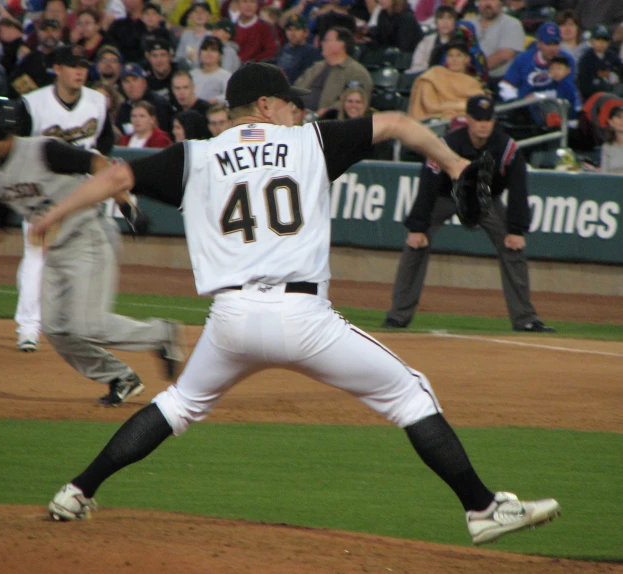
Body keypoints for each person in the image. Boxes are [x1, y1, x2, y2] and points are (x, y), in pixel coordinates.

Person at [34, 63, 561, 548]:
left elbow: (117, 177)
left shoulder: (195, 156)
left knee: (179, 406)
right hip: (303, 319)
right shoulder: (309, 142)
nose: (298, 110)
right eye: (289, 102)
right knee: (409, 393)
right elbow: (398, 122)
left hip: (231, 321)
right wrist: (454, 162)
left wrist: (49, 217)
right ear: (264, 106)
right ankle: (482, 508)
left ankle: (77, 490)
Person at [0, 96, 184, 406]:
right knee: (57, 329)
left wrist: (127, 206)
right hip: (55, 251)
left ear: (4, 130)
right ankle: (119, 377)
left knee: (88, 325)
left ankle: (162, 334)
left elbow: (98, 163)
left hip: (89, 237)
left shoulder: (43, 150)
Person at [385, 94, 556, 333]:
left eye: (488, 118)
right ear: (467, 119)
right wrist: (417, 226)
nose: (483, 123)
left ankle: (526, 318)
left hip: (485, 198)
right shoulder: (448, 143)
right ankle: (397, 316)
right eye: (478, 119)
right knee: (415, 245)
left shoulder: (506, 147)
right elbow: (428, 183)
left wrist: (516, 229)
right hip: (445, 195)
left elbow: (519, 187)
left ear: (494, 120)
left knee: (513, 246)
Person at [13, 46, 115, 352]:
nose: (80, 70)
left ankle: (82, 323)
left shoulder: (98, 102)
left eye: (83, 64)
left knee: (87, 258)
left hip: (82, 192)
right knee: (36, 257)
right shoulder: (33, 104)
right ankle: (28, 328)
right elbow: (17, 148)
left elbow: (105, 145)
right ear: (57, 68)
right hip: (42, 192)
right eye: (72, 65)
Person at [295, 27, 372, 117]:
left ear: (341, 44)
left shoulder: (356, 72)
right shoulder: (316, 67)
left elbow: (359, 101)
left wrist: (328, 111)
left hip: (327, 121)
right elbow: (296, 88)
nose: (322, 43)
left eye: (327, 40)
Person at [407, 41, 484, 121]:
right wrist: (461, 106)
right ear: (446, 59)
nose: (454, 60)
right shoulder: (434, 74)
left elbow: (480, 104)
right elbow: (431, 106)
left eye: (459, 55)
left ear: (467, 59)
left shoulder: (473, 82)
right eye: (450, 56)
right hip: (436, 121)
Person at [467, 0, 524, 90]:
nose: (487, 4)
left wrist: (476, 70)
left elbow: (505, 55)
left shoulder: (512, 24)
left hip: (501, 81)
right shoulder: (468, 24)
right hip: (469, 79)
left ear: (501, 3)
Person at [116, 62, 173, 134]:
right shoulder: (124, 108)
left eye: (135, 80)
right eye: (126, 81)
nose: (131, 85)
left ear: (144, 83)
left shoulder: (159, 105)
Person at [407, 4, 458, 74]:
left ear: (455, 22)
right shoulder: (426, 41)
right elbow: (417, 65)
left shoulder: (460, 41)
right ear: (436, 22)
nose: (445, 22)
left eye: (449, 18)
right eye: (441, 18)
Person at [577, 25, 623, 101]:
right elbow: (584, 85)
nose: (601, 43)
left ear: (609, 42)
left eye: (605, 40)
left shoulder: (612, 56)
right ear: (592, 41)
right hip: (593, 97)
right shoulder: (586, 59)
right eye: (598, 39)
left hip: (613, 94)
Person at [275, 14, 322, 84]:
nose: (292, 33)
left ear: (306, 33)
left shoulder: (312, 52)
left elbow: (306, 78)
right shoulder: (285, 48)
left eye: (297, 29)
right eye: (289, 29)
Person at [190, 35, 230, 104]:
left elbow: (229, 96)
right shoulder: (192, 74)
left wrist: (217, 100)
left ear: (220, 55)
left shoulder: (226, 76)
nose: (208, 53)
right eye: (205, 49)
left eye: (213, 50)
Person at [175, 0, 211, 67]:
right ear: (190, 16)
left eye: (203, 12)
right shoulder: (186, 35)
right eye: (196, 12)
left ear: (209, 16)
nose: (199, 15)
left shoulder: (212, 36)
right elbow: (179, 57)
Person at [601, 105, 623, 174]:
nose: (622, 120)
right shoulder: (607, 147)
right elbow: (604, 173)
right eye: (619, 117)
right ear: (611, 122)